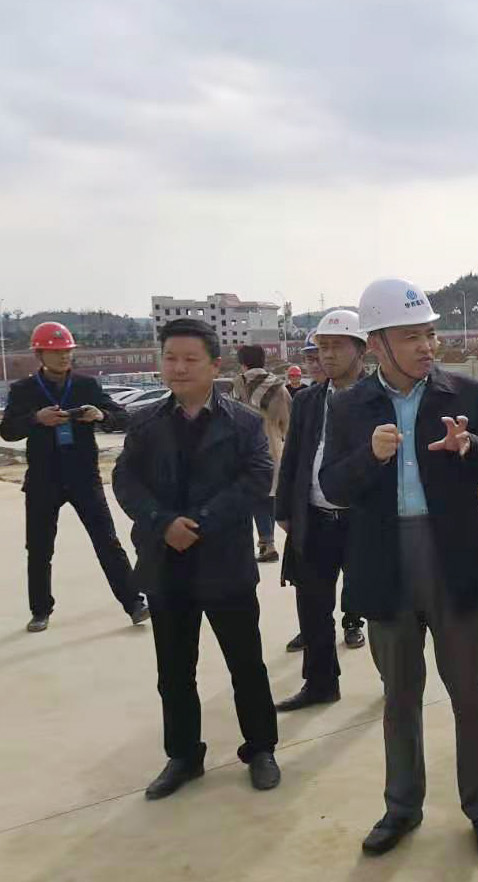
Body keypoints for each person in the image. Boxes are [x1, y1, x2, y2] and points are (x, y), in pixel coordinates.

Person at [320, 278, 478, 862]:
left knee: (470, 694)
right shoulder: (349, 407)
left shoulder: (463, 394)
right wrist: (369, 457)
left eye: (430, 334)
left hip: (452, 559)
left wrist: (470, 448)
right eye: (411, 337)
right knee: (399, 696)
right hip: (385, 562)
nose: (427, 346)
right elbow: (332, 487)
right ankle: (401, 806)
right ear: (377, 344)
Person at [112, 318, 280, 800]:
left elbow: (256, 478)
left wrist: (200, 523)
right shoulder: (145, 422)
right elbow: (125, 480)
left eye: (190, 359)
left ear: (214, 366)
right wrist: (162, 522)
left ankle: (261, 748)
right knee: (174, 671)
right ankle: (184, 755)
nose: (178, 368)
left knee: (246, 664)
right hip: (166, 563)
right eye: (170, 358)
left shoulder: (243, 422)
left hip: (224, 562)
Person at [0, 322, 147, 633]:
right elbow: (7, 430)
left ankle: (134, 603)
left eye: (67, 351)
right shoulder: (24, 390)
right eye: (56, 352)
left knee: (108, 542)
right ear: (40, 354)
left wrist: (100, 415)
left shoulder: (86, 386)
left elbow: (122, 418)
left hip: (84, 478)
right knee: (39, 548)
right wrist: (36, 419)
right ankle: (40, 610)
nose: (64, 357)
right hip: (43, 480)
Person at [273, 310, 371, 713]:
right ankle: (320, 683)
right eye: (322, 347)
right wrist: (284, 509)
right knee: (312, 607)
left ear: (361, 350)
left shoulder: (378, 398)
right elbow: (294, 457)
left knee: (381, 604)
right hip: (314, 517)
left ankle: (398, 682)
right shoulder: (309, 400)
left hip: (362, 520)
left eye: (337, 346)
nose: (327, 355)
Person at [231, 345, 291, 564]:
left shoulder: (238, 384)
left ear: (243, 363)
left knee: (249, 499)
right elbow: (288, 424)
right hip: (272, 449)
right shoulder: (279, 388)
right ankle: (268, 543)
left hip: (244, 449)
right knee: (268, 497)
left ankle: (256, 546)